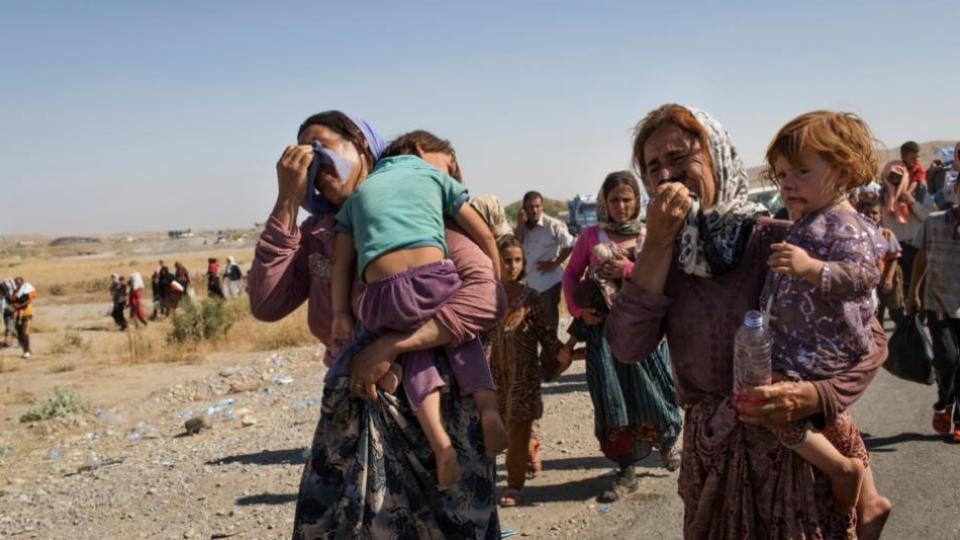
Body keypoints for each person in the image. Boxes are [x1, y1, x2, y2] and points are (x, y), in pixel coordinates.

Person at [605, 104, 890, 539]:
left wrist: (818, 395)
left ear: (717, 157)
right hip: (714, 457)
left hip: (796, 456)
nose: (667, 176)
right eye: (653, 167)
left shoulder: (781, 239)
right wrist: (658, 242)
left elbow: (870, 337)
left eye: (680, 159)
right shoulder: (666, 257)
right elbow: (627, 346)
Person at [248, 114, 502, 538]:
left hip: (437, 405)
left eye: (322, 148)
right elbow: (266, 303)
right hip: (354, 410)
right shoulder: (318, 235)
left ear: (362, 145)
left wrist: (391, 346)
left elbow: (486, 297)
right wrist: (287, 200)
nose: (315, 166)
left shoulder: (416, 211)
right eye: (305, 158)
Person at [329, 138, 507, 489]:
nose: (450, 169)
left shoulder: (357, 196)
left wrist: (340, 313)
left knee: (415, 357)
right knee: (462, 338)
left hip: (383, 295)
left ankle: (440, 443)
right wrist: (497, 279)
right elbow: (485, 234)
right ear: (418, 155)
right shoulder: (433, 177)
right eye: (448, 163)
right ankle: (489, 409)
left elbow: (341, 264)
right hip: (434, 279)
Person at [759, 111, 890, 521]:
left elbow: (864, 277)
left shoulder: (846, 224)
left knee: (769, 401)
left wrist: (810, 268)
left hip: (821, 347)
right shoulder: (814, 218)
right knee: (830, 418)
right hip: (804, 343)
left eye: (801, 171)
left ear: (843, 171)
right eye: (782, 174)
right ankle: (870, 498)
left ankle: (840, 469)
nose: (787, 183)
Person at [559, 171, 682, 502]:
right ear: (605, 202)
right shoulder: (590, 236)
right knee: (613, 400)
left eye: (627, 199)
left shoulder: (650, 234)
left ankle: (667, 444)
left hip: (645, 330)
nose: (621, 206)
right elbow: (571, 275)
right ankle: (626, 470)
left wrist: (627, 270)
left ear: (638, 200)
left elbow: (668, 275)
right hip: (604, 334)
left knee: (657, 393)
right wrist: (577, 311)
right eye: (614, 200)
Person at [487, 235, 561, 506]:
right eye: (507, 260)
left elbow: (547, 335)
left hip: (524, 376)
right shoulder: (487, 296)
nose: (513, 266)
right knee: (504, 427)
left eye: (518, 260)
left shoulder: (531, 298)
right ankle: (531, 449)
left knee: (517, 430)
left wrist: (564, 352)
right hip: (495, 375)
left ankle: (514, 484)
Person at [907, 179, 960, 442]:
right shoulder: (934, 222)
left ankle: (958, 419)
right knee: (948, 359)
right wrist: (912, 293)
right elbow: (921, 258)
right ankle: (945, 402)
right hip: (937, 302)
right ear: (956, 190)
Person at [517, 191, 574, 341]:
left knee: (549, 324)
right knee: (530, 324)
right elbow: (515, 246)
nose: (534, 210)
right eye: (530, 207)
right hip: (529, 284)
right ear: (524, 209)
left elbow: (570, 244)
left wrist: (554, 263)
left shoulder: (552, 225)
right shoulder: (523, 227)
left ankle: (551, 353)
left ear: (542, 207)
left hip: (549, 283)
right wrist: (520, 225)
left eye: (537, 206)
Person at [881, 159, 930, 316]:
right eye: (891, 176)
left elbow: (928, 218)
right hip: (894, 252)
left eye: (898, 176)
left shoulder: (920, 192)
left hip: (914, 249)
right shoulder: (883, 197)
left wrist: (912, 203)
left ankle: (917, 322)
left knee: (917, 291)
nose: (894, 180)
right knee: (895, 296)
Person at [860, 200, 903, 325]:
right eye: (867, 213)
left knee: (895, 311)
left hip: (884, 279)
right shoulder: (858, 234)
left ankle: (902, 333)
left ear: (880, 216)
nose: (871, 216)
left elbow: (894, 257)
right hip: (867, 282)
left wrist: (889, 278)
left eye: (874, 213)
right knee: (875, 314)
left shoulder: (886, 234)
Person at [11, 277, 35, 359]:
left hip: (27, 314)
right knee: (19, 334)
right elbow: (13, 301)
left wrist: (20, 305)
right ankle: (26, 349)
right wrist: (15, 306)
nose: (18, 284)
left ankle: (26, 352)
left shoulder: (27, 290)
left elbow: (30, 300)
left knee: (25, 333)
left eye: (19, 283)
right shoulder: (15, 292)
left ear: (22, 283)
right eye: (16, 283)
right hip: (17, 315)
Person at [1, 278, 16, 348]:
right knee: (9, 326)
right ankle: (8, 341)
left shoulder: (6, 296)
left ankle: (8, 342)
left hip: (9, 311)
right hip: (6, 312)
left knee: (9, 327)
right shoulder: (4, 296)